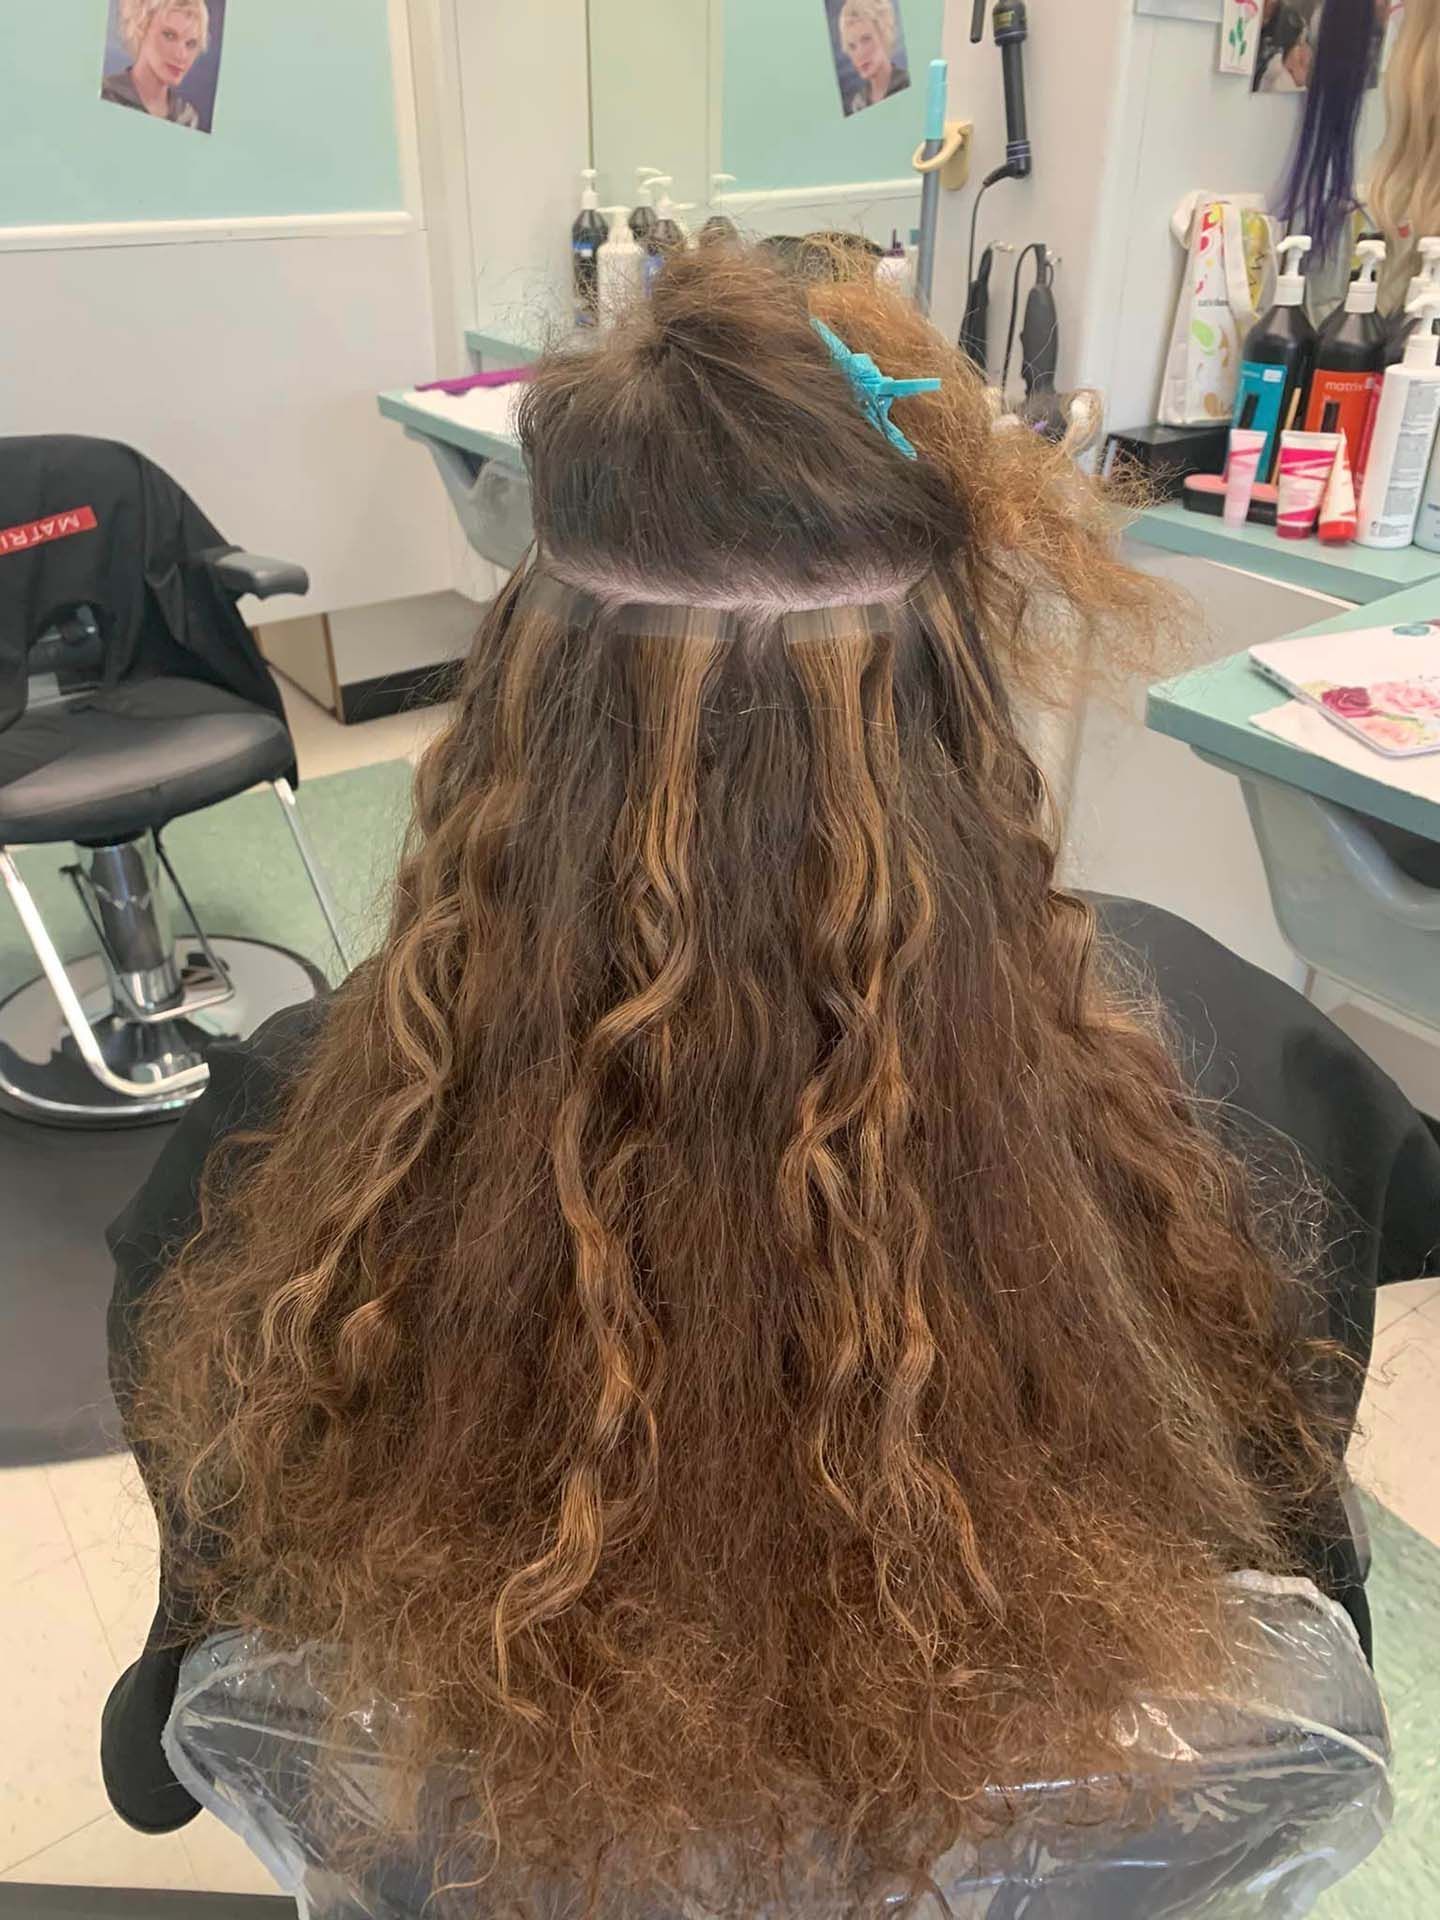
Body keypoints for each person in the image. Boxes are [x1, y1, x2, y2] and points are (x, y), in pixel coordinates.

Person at [103, 249, 1438, 1907]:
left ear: (531, 684)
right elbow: (1298, 1612)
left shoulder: (294, 1124)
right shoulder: (1239, 1074)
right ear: (956, 700)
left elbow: (173, 1719)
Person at [101, 0, 208, 131]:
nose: (182, 55)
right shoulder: (106, 94)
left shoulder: (187, 117)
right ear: (141, 28)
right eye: (169, 35)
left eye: (190, 44)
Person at [838, 0, 911, 114]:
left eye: (866, 39)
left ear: (884, 34)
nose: (859, 54)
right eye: (852, 46)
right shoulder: (858, 104)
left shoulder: (906, 84)